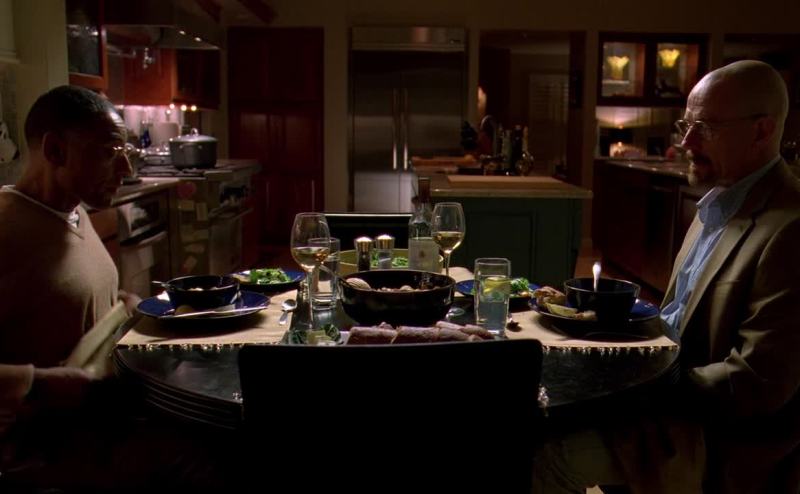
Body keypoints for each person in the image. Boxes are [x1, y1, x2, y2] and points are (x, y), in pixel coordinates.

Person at [532, 60, 800, 493]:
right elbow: (677, 323)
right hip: (668, 402)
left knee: (543, 456)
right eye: (686, 125)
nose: (685, 142)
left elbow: (758, 382)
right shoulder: (716, 205)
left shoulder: (790, 228)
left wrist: (637, 387)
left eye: (705, 127)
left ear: (761, 131)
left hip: (715, 438)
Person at [0, 86, 239, 491]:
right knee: (218, 459)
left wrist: (124, 306)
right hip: (42, 452)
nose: (126, 168)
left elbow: (62, 303)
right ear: (56, 150)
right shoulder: (7, 227)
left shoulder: (73, 212)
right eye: (110, 152)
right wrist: (38, 383)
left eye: (126, 151)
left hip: (102, 416)